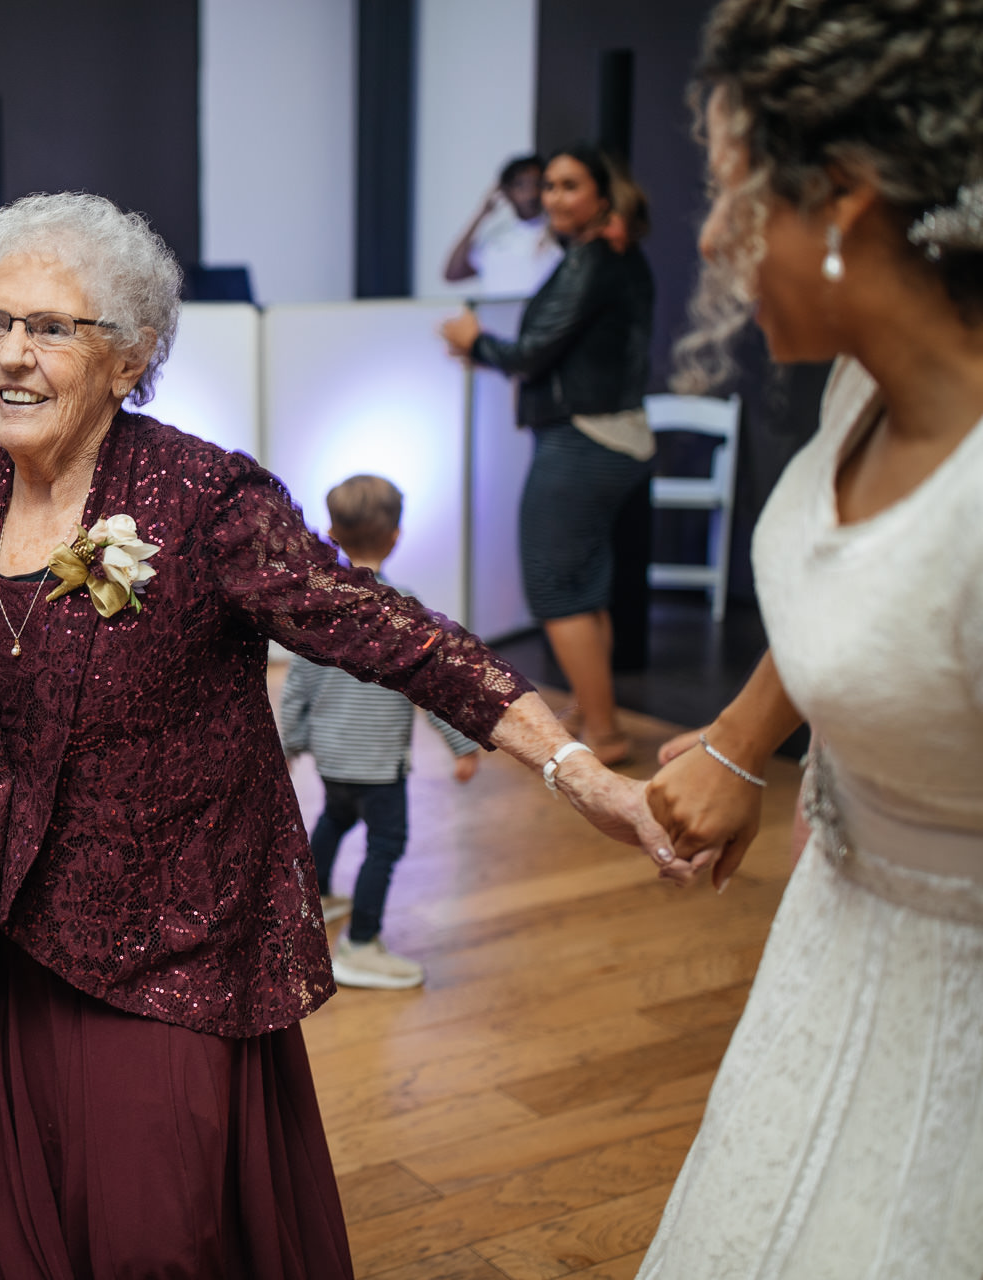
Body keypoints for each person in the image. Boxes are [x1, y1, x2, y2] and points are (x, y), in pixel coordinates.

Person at [0, 191, 686, 1277]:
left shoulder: (203, 496)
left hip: (169, 947)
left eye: (51, 327)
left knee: (161, 1240)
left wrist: (578, 769)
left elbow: (396, 636)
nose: (10, 354)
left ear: (132, 352)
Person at [636, 1, 983, 1275]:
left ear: (841, 197)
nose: (719, 245)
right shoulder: (861, 384)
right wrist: (740, 747)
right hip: (834, 934)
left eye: (737, 202)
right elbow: (862, 596)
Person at [439, 142, 657, 765]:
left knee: (557, 588)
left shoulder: (592, 261)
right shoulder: (611, 256)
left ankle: (606, 734)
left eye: (569, 186)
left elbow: (533, 351)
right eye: (552, 187)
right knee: (583, 586)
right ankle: (596, 714)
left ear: (603, 197)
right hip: (608, 435)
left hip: (582, 440)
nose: (556, 198)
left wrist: (476, 341)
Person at [278, 474, 480, 990]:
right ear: (396, 536)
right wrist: (462, 744)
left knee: (336, 817)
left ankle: (316, 897)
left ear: (331, 535)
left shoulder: (318, 601)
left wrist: (291, 739)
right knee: (386, 843)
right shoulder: (401, 607)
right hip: (377, 764)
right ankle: (361, 944)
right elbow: (431, 684)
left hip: (332, 755)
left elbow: (299, 677)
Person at [444, 153, 564, 298]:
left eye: (537, 184)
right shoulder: (495, 237)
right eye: (521, 185)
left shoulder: (559, 232)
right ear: (506, 191)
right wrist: (482, 213)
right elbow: (453, 273)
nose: (531, 193)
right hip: (497, 319)